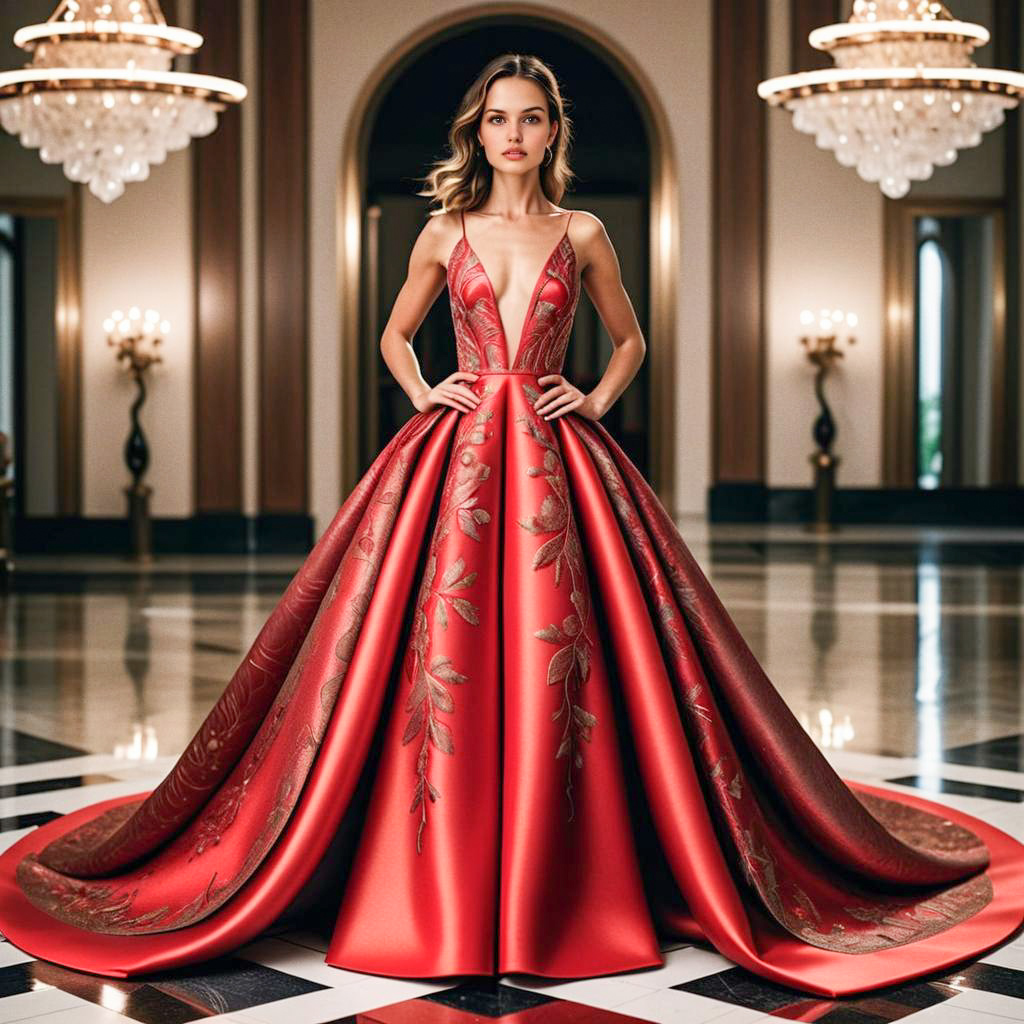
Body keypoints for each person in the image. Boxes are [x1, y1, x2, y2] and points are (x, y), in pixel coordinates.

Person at [0, 53, 1022, 999]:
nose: (514, 136)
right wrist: (422, 390)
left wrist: (594, 396)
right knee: (413, 649)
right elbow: (395, 333)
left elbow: (632, 337)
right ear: (477, 133)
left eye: (530, 121)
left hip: (555, 448)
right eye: (498, 121)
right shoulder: (443, 232)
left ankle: (579, 857)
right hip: (455, 451)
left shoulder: (584, 233)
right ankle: (411, 859)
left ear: (550, 132)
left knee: (578, 648)